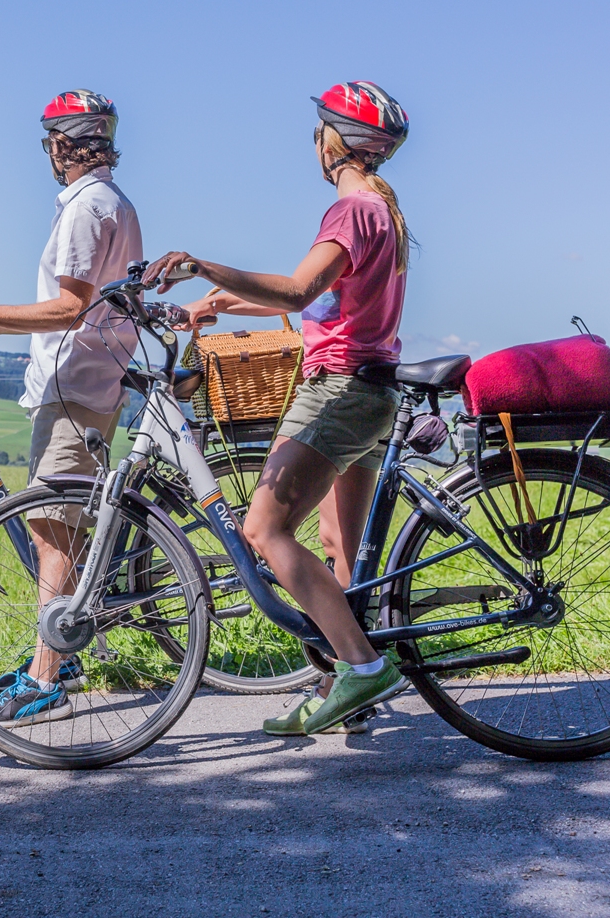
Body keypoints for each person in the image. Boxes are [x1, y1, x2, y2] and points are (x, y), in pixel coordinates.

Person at [145, 81, 412, 736]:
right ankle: (342, 687)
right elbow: (323, 303)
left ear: (334, 140)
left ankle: (361, 667)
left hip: (339, 391)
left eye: (317, 131)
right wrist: (220, 303)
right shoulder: (383, 210)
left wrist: (201, 265)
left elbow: (298, 287)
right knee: (338, 544)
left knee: (263, 531)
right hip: (374, 388)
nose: (313, 143)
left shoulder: (349, 212)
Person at [0, 89, 142, 728]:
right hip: (93, 375)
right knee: (63, 529)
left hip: (74, 383)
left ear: (65, 144)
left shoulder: (85, 209)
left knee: (52, 534)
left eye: (51, 142)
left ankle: (48, 677)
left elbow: (71, 306)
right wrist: (1, 329)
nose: (49, 152)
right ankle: (59, 652)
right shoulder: (113, 202)